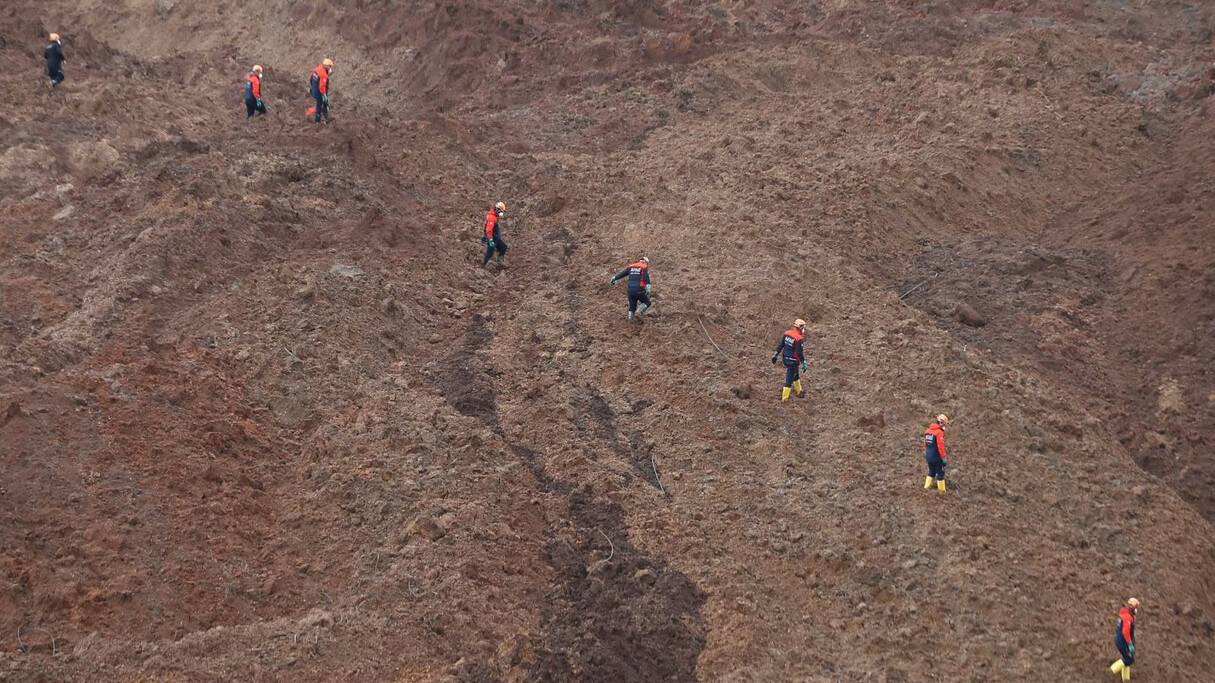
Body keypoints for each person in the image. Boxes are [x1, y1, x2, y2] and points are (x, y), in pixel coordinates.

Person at [770, 319, 806, 401]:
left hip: (785, 358)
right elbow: (799, 353)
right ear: (800, 328)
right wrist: (804, 363)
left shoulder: (787, 333)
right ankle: (785, 398)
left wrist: (775, 354)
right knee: (789, 379)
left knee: (795, 374)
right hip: (792, 361)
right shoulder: (798, 338)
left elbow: (780, 345)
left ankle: (799, 391)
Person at [1109, 598, 1140, 680]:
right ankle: (1111, 671)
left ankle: (1126, 679)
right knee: (1129, 659)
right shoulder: (1127, 617)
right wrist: (1130, 644)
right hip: (1123, 642)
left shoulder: (1125, 615)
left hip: (1122, 641)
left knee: (1126, 660)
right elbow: (1125, 632)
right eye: (1136, 607)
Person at [923, 414, 949, 491]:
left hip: (928, 456)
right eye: (944, 424)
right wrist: (943, 457)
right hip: (936, 457)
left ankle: (925, 488)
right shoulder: (939, 432)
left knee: (931, 472)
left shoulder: (927, 431)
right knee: (940, 473)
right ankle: (942, 492)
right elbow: (940, 446)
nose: (944, 426)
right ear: (941, 423)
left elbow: (925, 444)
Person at [482, 201, 507, 266]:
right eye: (501, 211)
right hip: (493, 238)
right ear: (498, 209)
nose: (501, 213)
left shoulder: (494, 216)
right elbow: (489, 229)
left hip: (496, 238)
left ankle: (500, 262)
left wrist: (484, 234)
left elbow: (485, 225)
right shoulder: (492, 218)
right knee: (489, 252)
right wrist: (490, 240)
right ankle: (483, 265)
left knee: (503, 247)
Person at [309, 58, 334, 123]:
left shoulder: (317, 69)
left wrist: (312, 86)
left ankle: (325, 115)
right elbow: (322, 87)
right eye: (330, 66)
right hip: (319, 92)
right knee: (320, 104)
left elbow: (311, 77)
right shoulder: (324, 75)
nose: (330, 68)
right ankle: (318, 120)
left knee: (322, 103)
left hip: (314, 89)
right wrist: (324, 95)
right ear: (327, 66)